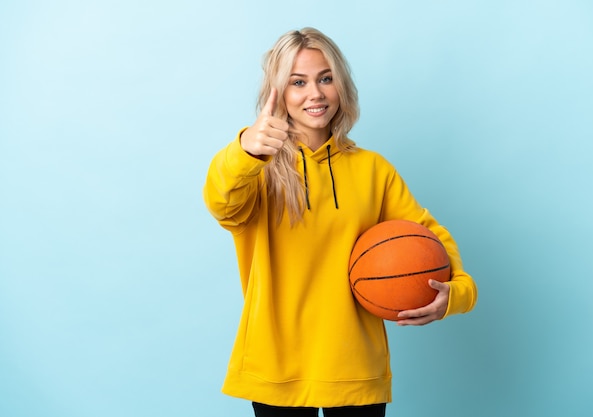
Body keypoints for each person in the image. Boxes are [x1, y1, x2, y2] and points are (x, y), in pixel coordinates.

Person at [203, 27, 477, 417]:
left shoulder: (373, 170)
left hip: (355, 367)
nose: (314, 93)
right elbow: (220, 202)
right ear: (277, 93)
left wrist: (459, 291)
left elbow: (428, 236)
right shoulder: (254, 168)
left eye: (325, 78)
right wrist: (246, 148)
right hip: (275, 366)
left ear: (341, 85)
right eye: (298, 82)